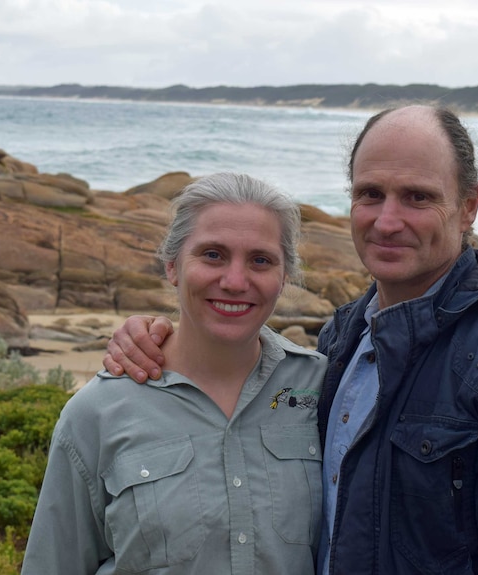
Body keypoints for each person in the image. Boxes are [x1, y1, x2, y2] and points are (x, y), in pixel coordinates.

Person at [105, 106, 478, 574]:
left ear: (469, 206)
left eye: (418, 197)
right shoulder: (344, 337)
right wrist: (160, 340)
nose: (387, 221)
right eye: (370, 194)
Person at [22, 173, 327, 575]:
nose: (235, 281)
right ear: (172, 266)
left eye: (260, 260)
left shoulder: (323, 390)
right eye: (212, 255)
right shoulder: (96, 413)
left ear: (284, 275)